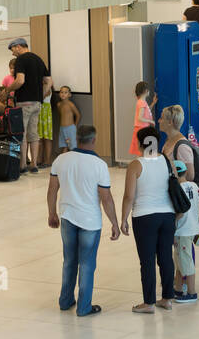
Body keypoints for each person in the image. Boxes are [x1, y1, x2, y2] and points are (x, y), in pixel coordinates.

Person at [48, 125, 119, 317]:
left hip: (67, 217)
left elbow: (52, 190)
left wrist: (52, 213)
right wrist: (114, 223)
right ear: (94, 140)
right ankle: (84, 307)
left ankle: (65, 301)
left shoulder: (61, 160)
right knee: (87, 264)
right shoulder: (99, 165)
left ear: (77, 138)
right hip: (90, 221)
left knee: (69, 260)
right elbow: (106, 198)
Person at [121, 126, 176, 313]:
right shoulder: (166, 161)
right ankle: (167, 298)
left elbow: (129, 196)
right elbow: (175, 182)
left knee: (147, 260)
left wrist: (123, 219)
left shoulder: (136, 165)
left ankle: (149, 302)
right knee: (166, 257)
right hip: (167, 215)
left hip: (144, 217)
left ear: (139, 143)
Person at [8, 38, 50, 173]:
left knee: (22, 133)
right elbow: (49, 81)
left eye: (13, 49)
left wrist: (7, 90)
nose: (12, 53)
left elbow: (20, 80)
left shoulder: (21, 60)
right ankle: (34, 164)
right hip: (37, 103)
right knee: (34, 133)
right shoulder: (38, 59)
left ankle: (22, 166)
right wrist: (41, 95)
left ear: (19, 46)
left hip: (24, 102)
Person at [171, 160, 199, 303]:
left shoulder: (177, 189)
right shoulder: (194, 186)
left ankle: (191, 292)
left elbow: (180, 213)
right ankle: (177, 288)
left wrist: (172, 224)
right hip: (192, 228)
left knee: (186, 262)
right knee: (180, 260)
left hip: (182, 230)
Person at [160, 104, 196, 182]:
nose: (159, 121)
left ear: (170, 122)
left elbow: (190, 176)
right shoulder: (169, 141)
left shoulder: (182, 146)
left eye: (161, 118)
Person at [129, 81, 154, 157]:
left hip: (141, 129)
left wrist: (153, 103)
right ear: (146, 91)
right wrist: (151, 121)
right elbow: (140, 118)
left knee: (141, 150)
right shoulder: (142, 102)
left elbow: (147, 110)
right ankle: (141, 166)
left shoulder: (142, 102)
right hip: (141, 129)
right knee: (142, 151)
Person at [54, 86, 80, 155]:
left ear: (69, 95)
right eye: (61, 92)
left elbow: (78, 115)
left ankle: (74, 160)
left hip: (70, 128)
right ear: (59, 94)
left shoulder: (71, 105)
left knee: (72, 147)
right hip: (62, 128)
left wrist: (75, 126)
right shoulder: (59, 105)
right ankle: (63, 161)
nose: (63, 94)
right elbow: (61, 114)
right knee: (64, 146)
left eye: (65, 92)